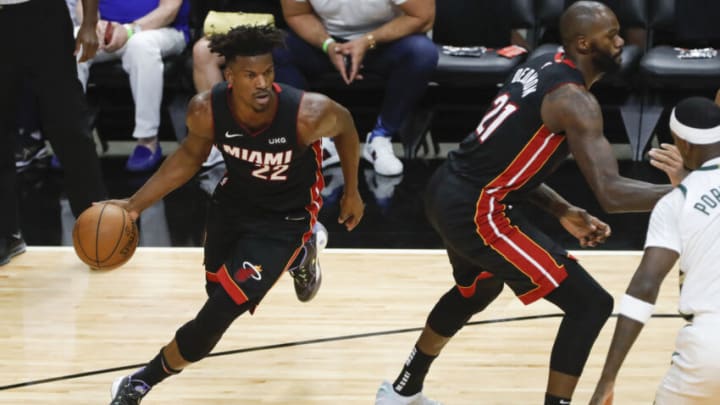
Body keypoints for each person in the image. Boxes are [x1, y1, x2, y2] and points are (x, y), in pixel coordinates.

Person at [374, 2, 681, 404]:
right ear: (585, 44)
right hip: (476, 209)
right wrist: (693, 192)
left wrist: (563, 210)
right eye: (612, 35)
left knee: (476, 291)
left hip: (448, 187)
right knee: (589, 304)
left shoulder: (541, 59)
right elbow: (612, 193)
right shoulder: (574, 101)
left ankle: (402, 391)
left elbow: (504, 159)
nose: (622, 42)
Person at [105, 25, 364, 404]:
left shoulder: (307, 113)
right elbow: (189, 158)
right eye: (250, 75)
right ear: (229, 76)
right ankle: (305, 253)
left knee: (215, 316)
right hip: (233, 206)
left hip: (285, 221)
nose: (262, 83)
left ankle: (139, 383)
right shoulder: (206, 110)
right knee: (215, 291)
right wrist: (133, 206)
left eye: (268, 73)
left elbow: (348, 129)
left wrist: (353, 192)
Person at [590, 97, 720, 405]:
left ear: (682, 144)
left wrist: (607, 379)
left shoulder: (677, 201)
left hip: (710, 348)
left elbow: (644, 288)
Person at [273, 0, 438, 176]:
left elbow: (423, 16)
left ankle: (381, 138)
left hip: (382, 41)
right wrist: (327, 45)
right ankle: (318, 140)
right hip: (324, 42)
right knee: (275, 49)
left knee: (422, 53)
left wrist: (367, 42)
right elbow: (297, 14)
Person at [0, 0, 107, 266]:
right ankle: (6, 235)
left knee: (69, 127)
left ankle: (97, 229)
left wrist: (90, 22)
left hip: (43, 14)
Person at [75, 0, 191, 172]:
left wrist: (130, 30)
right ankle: (71, 139)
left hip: (161, 30)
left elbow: (169, 10)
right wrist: (94, 25)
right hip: (108, 30)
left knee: (141, 45)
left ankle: (148, 141)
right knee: (71, 41)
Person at [192, 0, 287, 167]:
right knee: (202, 51)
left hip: (269, 28)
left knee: (260, 51)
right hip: (226, 28)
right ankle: (220, 136)